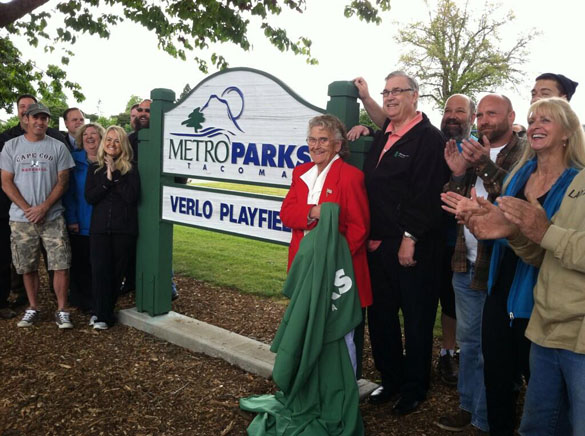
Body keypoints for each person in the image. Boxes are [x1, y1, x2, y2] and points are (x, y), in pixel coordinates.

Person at [452, 97, 585, 435]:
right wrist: (488, 222)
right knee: (497, 372)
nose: (536, 125)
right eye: (533, 119)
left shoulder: (576, 183)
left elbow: (549, 243)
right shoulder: (519, 174)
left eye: (547, 120)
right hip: (505, 287)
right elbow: (517, 235)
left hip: (545, 300)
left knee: (552, 399)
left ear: (568, 132)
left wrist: (526, 230)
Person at [349, 71, 447, 415]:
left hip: (411, 246)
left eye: (397, 91)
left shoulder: (428, 139)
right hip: (378, 246)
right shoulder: (384, 135)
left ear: (415, 96)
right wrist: (365, 129)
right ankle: (390, 380)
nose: (390, 97)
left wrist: (410, 237)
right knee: (381, 318)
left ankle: (414, 387)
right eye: (386, 91)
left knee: (417, 320)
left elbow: (428, 194)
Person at [438, 94, 525, 435]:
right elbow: (452, 200)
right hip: (466, 261)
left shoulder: (521, 154)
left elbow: (514, 199)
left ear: (511, 115)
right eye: (482, 115)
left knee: (497, 348)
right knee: (470, 343)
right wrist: (459, 173)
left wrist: (484, 166)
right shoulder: (470, 150)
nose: (485, 120)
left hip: (500, 267)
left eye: (493, 113)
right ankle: (470, 408)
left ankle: (491, 416)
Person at [280, 114, 372, 376]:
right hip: (304, 266)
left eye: (323, 140)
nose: (316, 146)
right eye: (312, 139)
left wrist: (334, 261)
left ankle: (343, 395)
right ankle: (309, 386)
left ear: (338, 145)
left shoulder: (351, 177)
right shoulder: (301, 173)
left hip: (338, 272)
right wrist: (314, 212)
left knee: (339, 334)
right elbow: (286, 214)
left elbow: (359, 228)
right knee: (306, 328)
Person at [0, 103, 75, 329]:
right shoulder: (11, 147)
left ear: (48, 122)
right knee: (27, 266)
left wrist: (43, 207)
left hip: (52, 217)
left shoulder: (58, 147)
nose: (40, 122)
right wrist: (27, 208)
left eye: (44, 118)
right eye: (36, 118)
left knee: (60, 264)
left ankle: (61, 310)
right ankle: (33, 307)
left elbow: (63, 181)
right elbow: (6, 181)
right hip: (21, 219)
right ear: (27, 119)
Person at [85, 126, 140, 330]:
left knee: (115, 275)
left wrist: (115, 174)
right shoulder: (95, 168)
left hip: (122, 230)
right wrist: (106, 181)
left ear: (123, 144)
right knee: (100, 272)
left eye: (116, 141)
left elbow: (131, 197)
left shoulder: (131, 169)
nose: (111, 144)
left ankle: (105, 316)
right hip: (99, 229)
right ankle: (99, 312)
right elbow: (90, 197)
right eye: (108, 140)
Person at [63, 123, 105, 313]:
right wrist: (71, 219)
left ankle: (98, 299)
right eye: (85, 134)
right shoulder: (74, 161)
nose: (89, 137)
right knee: (80, 262)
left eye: (94, 134)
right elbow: (69, 193)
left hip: (101, 222)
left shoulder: (109, 160)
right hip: (79, 220)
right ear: (80, 139)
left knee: (98, 263)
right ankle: (81, 299)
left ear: (101, 137)